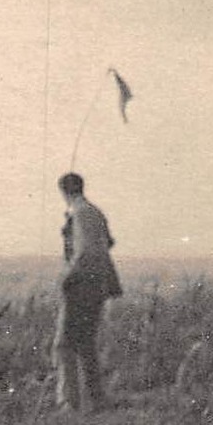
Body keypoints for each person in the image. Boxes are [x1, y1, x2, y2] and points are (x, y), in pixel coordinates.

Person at [55, 172, 122, 411]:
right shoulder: (95, 212)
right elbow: (108, 243)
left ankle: (69, 403)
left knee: (64, 344)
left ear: (64, 192)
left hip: (81, 284)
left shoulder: (80, 214)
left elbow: (84, 252)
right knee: (86, 343)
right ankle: (96, 399)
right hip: (99, 284)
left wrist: (67, 277)